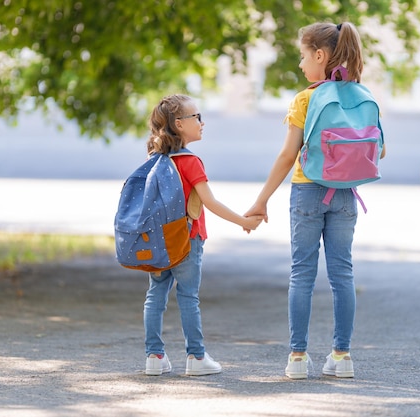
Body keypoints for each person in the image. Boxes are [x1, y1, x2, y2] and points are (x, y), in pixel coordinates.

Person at [244, 22, 386, 379]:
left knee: (302, 274)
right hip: (345, 196)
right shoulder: (361, 94)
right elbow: (380, 150)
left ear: (320, 56)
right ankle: (342, 356)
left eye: (303, 56)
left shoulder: (306, 98)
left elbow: (287, 155)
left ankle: (297, 358)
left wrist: (261, 200)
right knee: (343, 274)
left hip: (308, 190)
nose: (300, 64)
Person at [143, 94, 263, 377]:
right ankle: (196, 358)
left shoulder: (155, 159)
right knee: (188, 297)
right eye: (196, 117)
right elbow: (209, 202)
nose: (202, 122)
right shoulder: (190, 161)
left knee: (155, 295)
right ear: (179, 124)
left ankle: (154, 356)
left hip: (158, 239)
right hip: (187, 238)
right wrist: (243, 221)